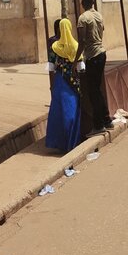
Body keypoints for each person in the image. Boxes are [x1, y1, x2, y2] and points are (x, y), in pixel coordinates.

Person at [75, 0, 112, 133]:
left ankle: (98, 125)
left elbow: (82, 41)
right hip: (102, 53)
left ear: (82, 3)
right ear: (93, 2)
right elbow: (103, 30)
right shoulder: (99, 15)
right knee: (97, 90)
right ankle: (106, 120)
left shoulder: (83, 18)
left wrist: (75, 61)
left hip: (92, 56)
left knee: (93, 92)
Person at [45, 18, 82, 153]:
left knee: (59, 112)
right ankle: (72, 142)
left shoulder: (55, 47)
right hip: (73, 83)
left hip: (60, 81)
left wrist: (52, 85)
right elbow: (81, 67)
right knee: (71, 111)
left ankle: (60, 143)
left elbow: (51, 67)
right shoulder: (76, 46)